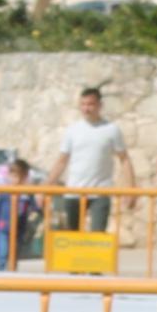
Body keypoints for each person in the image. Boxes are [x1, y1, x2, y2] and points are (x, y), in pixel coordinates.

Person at [54, 87, 125, 242]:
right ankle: (75, 267)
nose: (86, 108)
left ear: (100, 105)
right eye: (83, 104)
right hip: (74, 191)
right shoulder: (72, 130)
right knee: (73, 235)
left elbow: (124, 159)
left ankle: (94, 267)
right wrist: (46, 185)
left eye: (91, 104)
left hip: (100, 192)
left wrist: (131, 187)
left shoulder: (111, 130)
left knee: (97, 236)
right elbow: (62, 160)